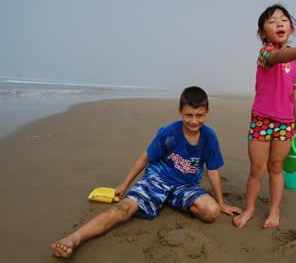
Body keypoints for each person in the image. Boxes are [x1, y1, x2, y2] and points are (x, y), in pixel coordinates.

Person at [52, 86, 243, 258]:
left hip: (185, 185)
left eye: (199, 115)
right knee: (123, 210)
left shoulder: (209, 138)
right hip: (157, 179)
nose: (194, 120)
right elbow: (145, 158)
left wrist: (221, 203)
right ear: (180, 111)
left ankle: (170, 200)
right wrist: (124, 184)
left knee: (212, 212)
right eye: (188, 115)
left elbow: (213, 171)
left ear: (207, 112)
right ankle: (75, 238)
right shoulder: (168, 133)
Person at [233, 4, 296, 229]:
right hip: (261, 121)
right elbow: (279, 56)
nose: (279, 23)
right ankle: (250, 209)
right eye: (272, 21)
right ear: (262, 33)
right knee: (257, 169)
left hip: (285, 124)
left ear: (290, 29)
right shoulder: (266, 54)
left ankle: (274, 211)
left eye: (283, 20)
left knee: (276, 168)